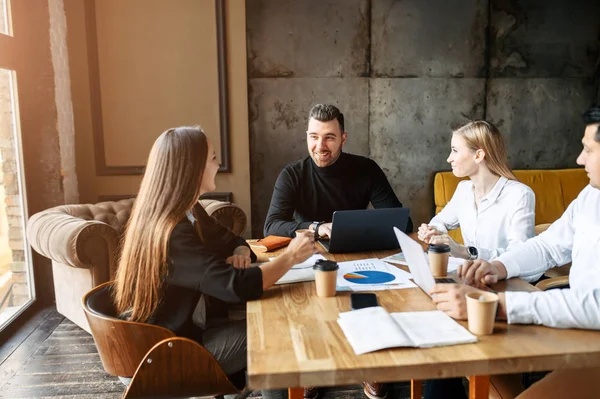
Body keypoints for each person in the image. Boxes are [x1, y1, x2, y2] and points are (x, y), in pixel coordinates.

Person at [113, 126, 315, 399]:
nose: (219, 164)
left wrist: (241, 252)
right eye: (213, 158)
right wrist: (291, 257)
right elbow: (236, 286)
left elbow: (230, 239)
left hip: (181, 334)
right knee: (277, 335)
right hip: (169, 351)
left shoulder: (188, 211)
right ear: (192, 169)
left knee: (269, 320)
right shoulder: (173, 233)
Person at [428, 105, 600, 399]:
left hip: (586, 338)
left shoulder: (519, 194)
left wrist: (495, 306)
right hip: (582, 334)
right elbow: (548, 245)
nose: (579, 158)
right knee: (455, 351)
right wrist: (497, 266)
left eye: (588, 150)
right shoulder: (591, 195)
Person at [264, 103, 412, 240]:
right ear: (307, 136)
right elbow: (271, 227)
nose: (320, 146)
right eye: (314, 137)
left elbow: (403, 223)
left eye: (329, 137)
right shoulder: (292, 174)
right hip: (308, 252)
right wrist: (317, 228)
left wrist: (355, 228)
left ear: (343, 138)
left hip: (355, 249)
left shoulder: (367, 169)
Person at [418, 120, 535, 261]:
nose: (449, 159)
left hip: (509, 280)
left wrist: (465, 252)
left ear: (478, 155)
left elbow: (520, 257)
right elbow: (441, 220)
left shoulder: (520, 195)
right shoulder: (464, 189)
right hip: (474, 275)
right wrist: (433, 230)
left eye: (455, 151)